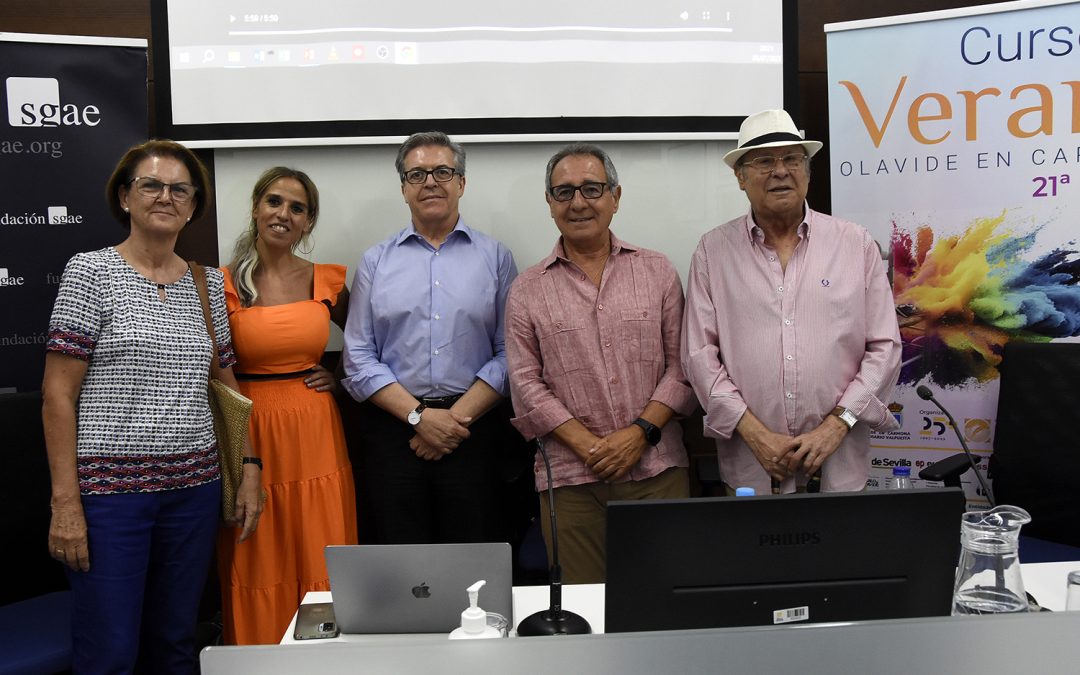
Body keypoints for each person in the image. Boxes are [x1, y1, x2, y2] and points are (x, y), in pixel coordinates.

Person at [41, 139, 263, 674]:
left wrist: (249, 468)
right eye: (151, 185)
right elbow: (57, 394)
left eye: (180, 189)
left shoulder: (209, 285)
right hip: (110, 500)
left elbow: (227, 386)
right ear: (125, 196)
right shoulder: (90, 272)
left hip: (194, 493)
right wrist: (65, 504)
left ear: (192, 205)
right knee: (110, 651)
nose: (166, 197)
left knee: (176, 644)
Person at [682, 109, 902, 496]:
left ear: (807, 170)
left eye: (793, 159)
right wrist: (753, 432)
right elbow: (699, 355)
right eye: (764, 161)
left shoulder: (856, 244)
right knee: (759, 555)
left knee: (839, 555)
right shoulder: (712, 252)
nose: (780, 170)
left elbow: (884, 346)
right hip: (752, 463)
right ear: (740, 177)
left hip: (839, 460)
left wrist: (838, 423)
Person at [505, 143, 696, 584]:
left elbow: (682, 367)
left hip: (657, 470)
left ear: (615, 196)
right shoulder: (528, 289)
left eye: (592, 188)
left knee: (664, 598)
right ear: (550, 203)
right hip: (571, 480)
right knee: (583, 609)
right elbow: (525, 384)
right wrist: (590, 447)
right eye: (564, 192)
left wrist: (638, 434)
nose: (578, 203)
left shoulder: (658, 270)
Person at [342, 131, 517, 544]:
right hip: (394, 433)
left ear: (461, 183)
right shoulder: (376, 261)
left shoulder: (495, 257)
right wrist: (420, 418)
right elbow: (358, 357)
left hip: (473, 432)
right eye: (417, 174)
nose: (430, 182)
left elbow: (511, 352)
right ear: (403, 188)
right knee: (403, 563)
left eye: (442, 171)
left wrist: (452, 422)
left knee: (475, 557)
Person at [216, 167, 358, 644]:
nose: (284, 214)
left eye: (297, 208)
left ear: (308, 223)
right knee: (257, 550)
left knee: (319, 547)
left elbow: (369, 344)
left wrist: (338, 380)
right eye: (274, 202)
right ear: (256, 208)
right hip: (250, 427)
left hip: (315, 428)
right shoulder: (220, 284)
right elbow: (216, 368)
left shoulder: (327, 279)